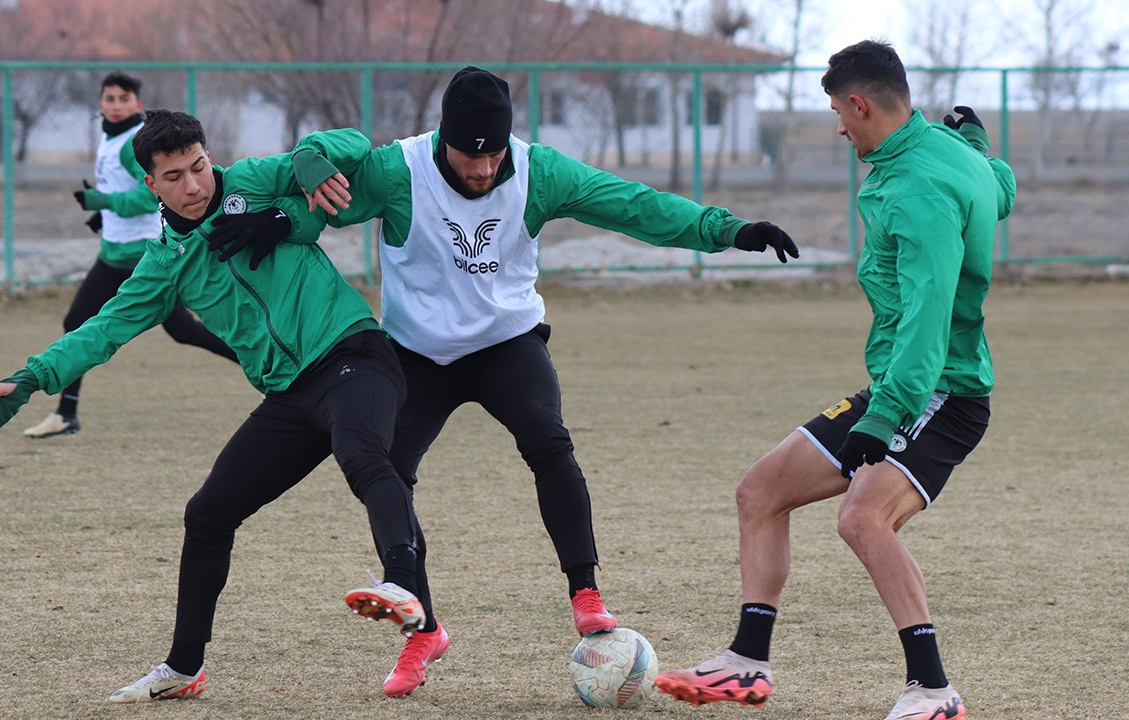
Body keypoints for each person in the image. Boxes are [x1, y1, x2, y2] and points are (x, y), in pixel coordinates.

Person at [213, 66, 799, 695]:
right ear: (444, 139)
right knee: (387, 474)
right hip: (416, 353)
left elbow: (633, 205)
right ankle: (421, 627)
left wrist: (729, 231)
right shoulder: (397, 171)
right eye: (471, 154)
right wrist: (275, 221)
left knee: (549, 440)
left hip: (506, 342)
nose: (484, 169)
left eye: (494, 154)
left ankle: (586, 591)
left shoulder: (538, 171)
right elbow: (322, 201)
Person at [0, 109, 435, 703]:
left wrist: (312, 160)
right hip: (290, 391)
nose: (194, 185)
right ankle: (184, 669)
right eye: (176, 176)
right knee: (208, 513)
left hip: (354, 352)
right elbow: (102, 329)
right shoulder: (164, 263)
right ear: (151, 185)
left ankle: (398, 585)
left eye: (200, 167)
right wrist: (30, 380)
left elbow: (354, 142)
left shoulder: (252, 181)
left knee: (361, 454)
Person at [653, 40, 1015, 720]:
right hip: (903, 383)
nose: (838, 129)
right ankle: (745, 665)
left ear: (861, 104)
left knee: (863, 520)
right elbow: (999, 191)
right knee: (760, 491)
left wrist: (887, 415)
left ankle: (934, 693)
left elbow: (927, 320)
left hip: (943, 391)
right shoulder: (945, 156)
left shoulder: (920, 187)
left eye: (838, 115)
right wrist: (981, 151)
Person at [21, 71, 238, 439]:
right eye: (110, 98)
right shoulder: (109, 141)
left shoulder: (129, 145)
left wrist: (104, 201)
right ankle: (66, 414)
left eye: (124, 99)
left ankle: (270, 363)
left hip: (142, 256)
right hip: (113, 254)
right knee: (80, 322)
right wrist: (101, 215)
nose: (117, 105)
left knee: (183, 331)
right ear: (100, 103)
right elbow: (123, 192)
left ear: (137, 104)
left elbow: (146, 196)